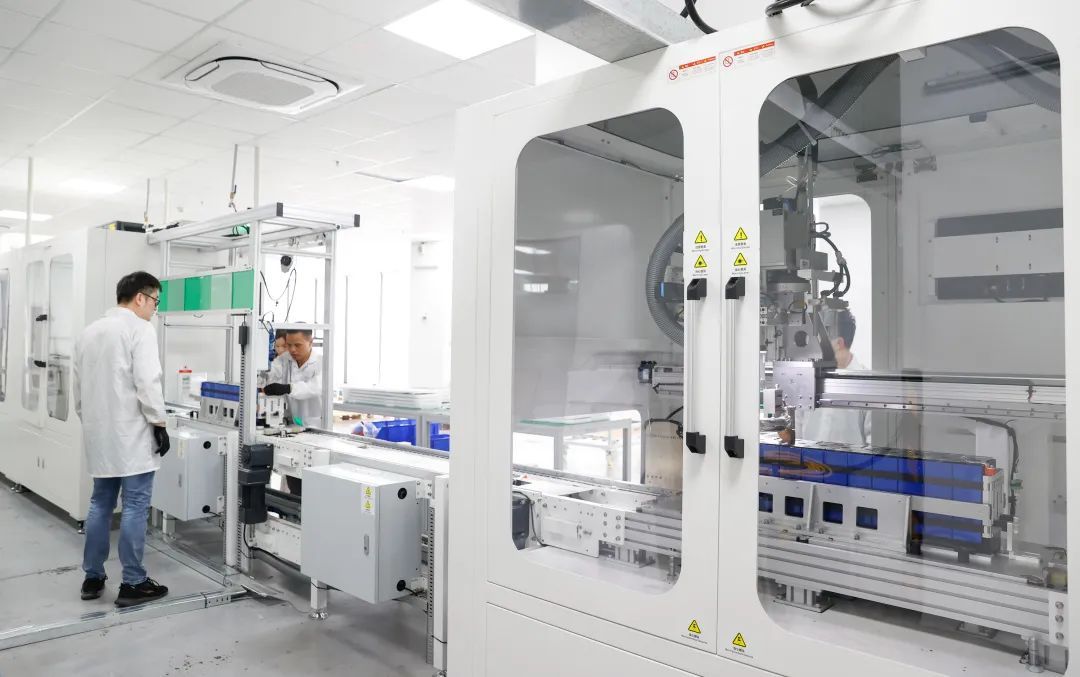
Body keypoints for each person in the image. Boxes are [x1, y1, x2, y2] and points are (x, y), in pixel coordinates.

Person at [73, 271, 170, 607]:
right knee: (135, 505)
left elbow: (78, 390)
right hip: (133, 434)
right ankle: (133, 582)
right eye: (155, 301)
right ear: (140, 297)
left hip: (100, 435)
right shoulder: (140, 329)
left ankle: (92, 577)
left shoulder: (89, 331)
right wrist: (159, 422)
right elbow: (148, 381)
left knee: (100, 503)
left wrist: (94, 424)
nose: (155, 308)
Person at [263, 329, 324, 495]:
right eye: (289, 345)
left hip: (317, 428)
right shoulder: (285, 359)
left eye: (298, 345)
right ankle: (294, 506)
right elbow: (269, 374)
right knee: (294, 475)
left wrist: (287, 388)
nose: (292, 349)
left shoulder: (321, 362)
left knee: (313, 480)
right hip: (294, 427)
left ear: (311, 342)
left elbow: (314, 388)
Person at [795, 310, 869, 445]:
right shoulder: (808, 379)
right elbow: (799, 431)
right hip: (809, 457)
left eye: (820, 338)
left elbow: (873, 441)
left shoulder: (867, 384)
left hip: (850, 459)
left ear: (838, 343)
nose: (813, 344)